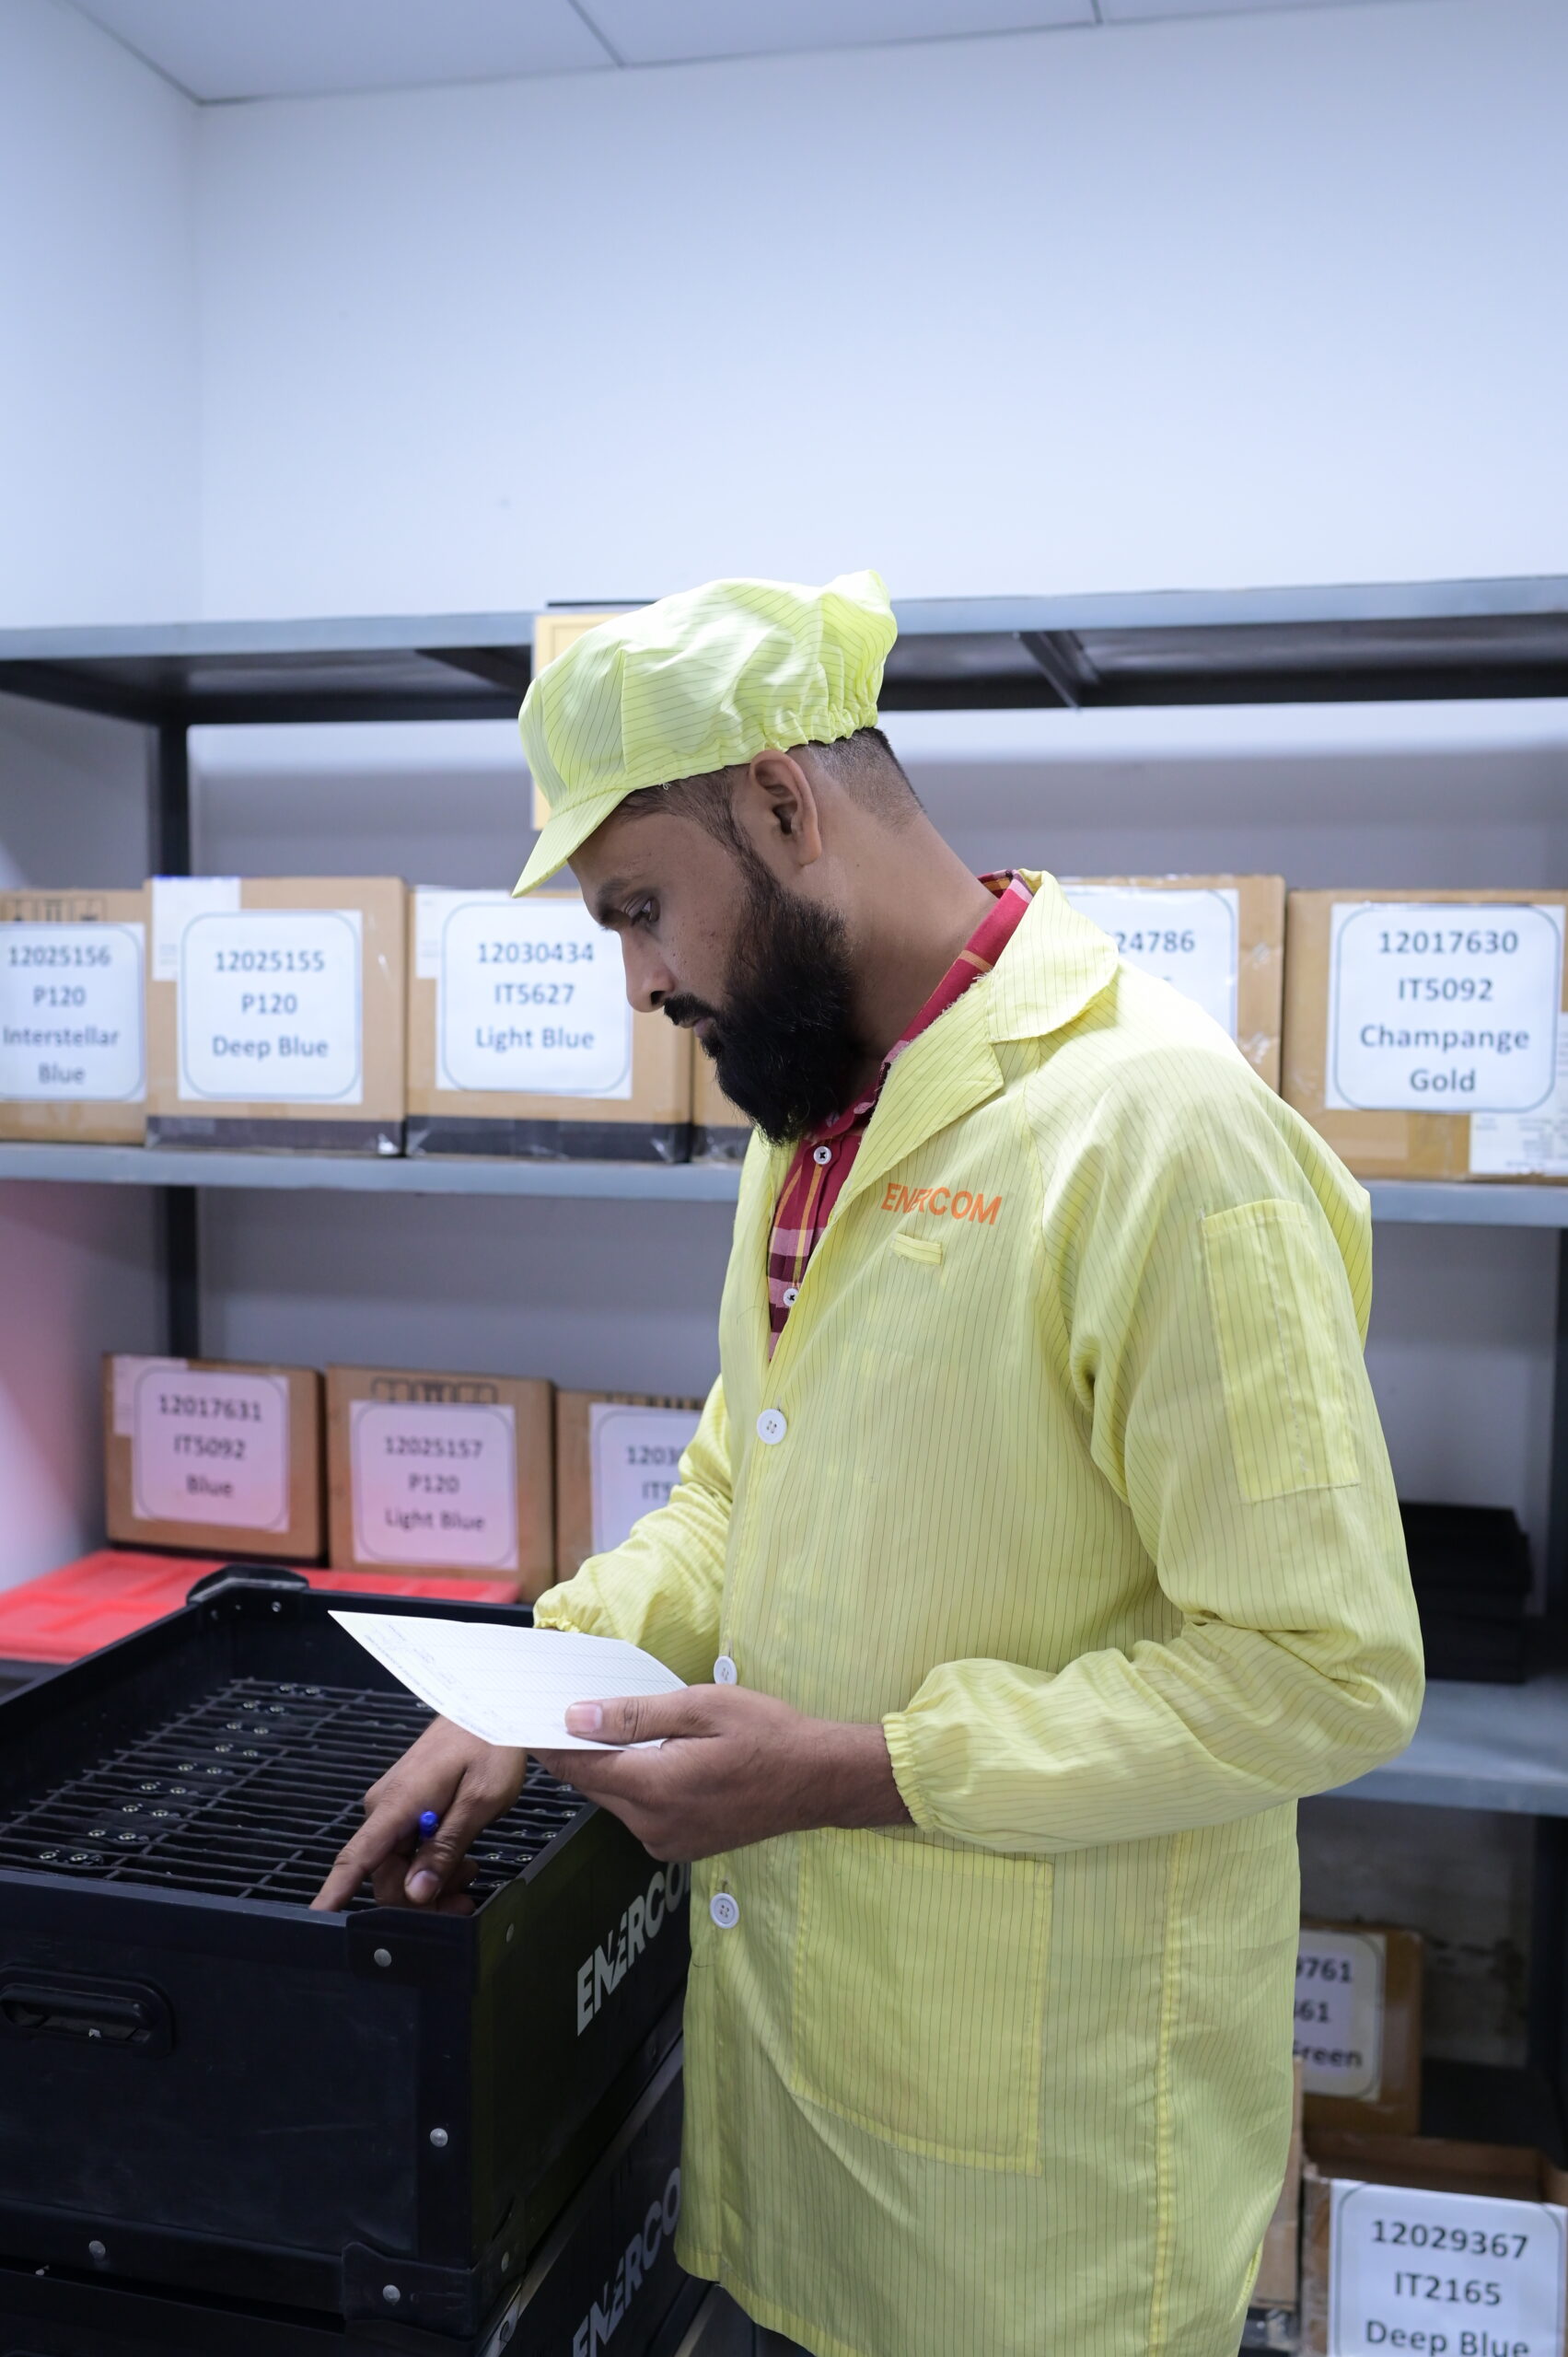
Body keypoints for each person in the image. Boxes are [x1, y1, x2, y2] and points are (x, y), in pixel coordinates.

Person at [314, 571, 1423, 2357]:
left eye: (642, 909)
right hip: (814, 2127)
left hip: (1048, 2205)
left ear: (782, 803)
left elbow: (1321, 1670)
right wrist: (544, 1673)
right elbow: (739, 1490)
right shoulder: (821, 1120)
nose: (642, 980)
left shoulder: (1159, 1133)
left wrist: (858, 1770)